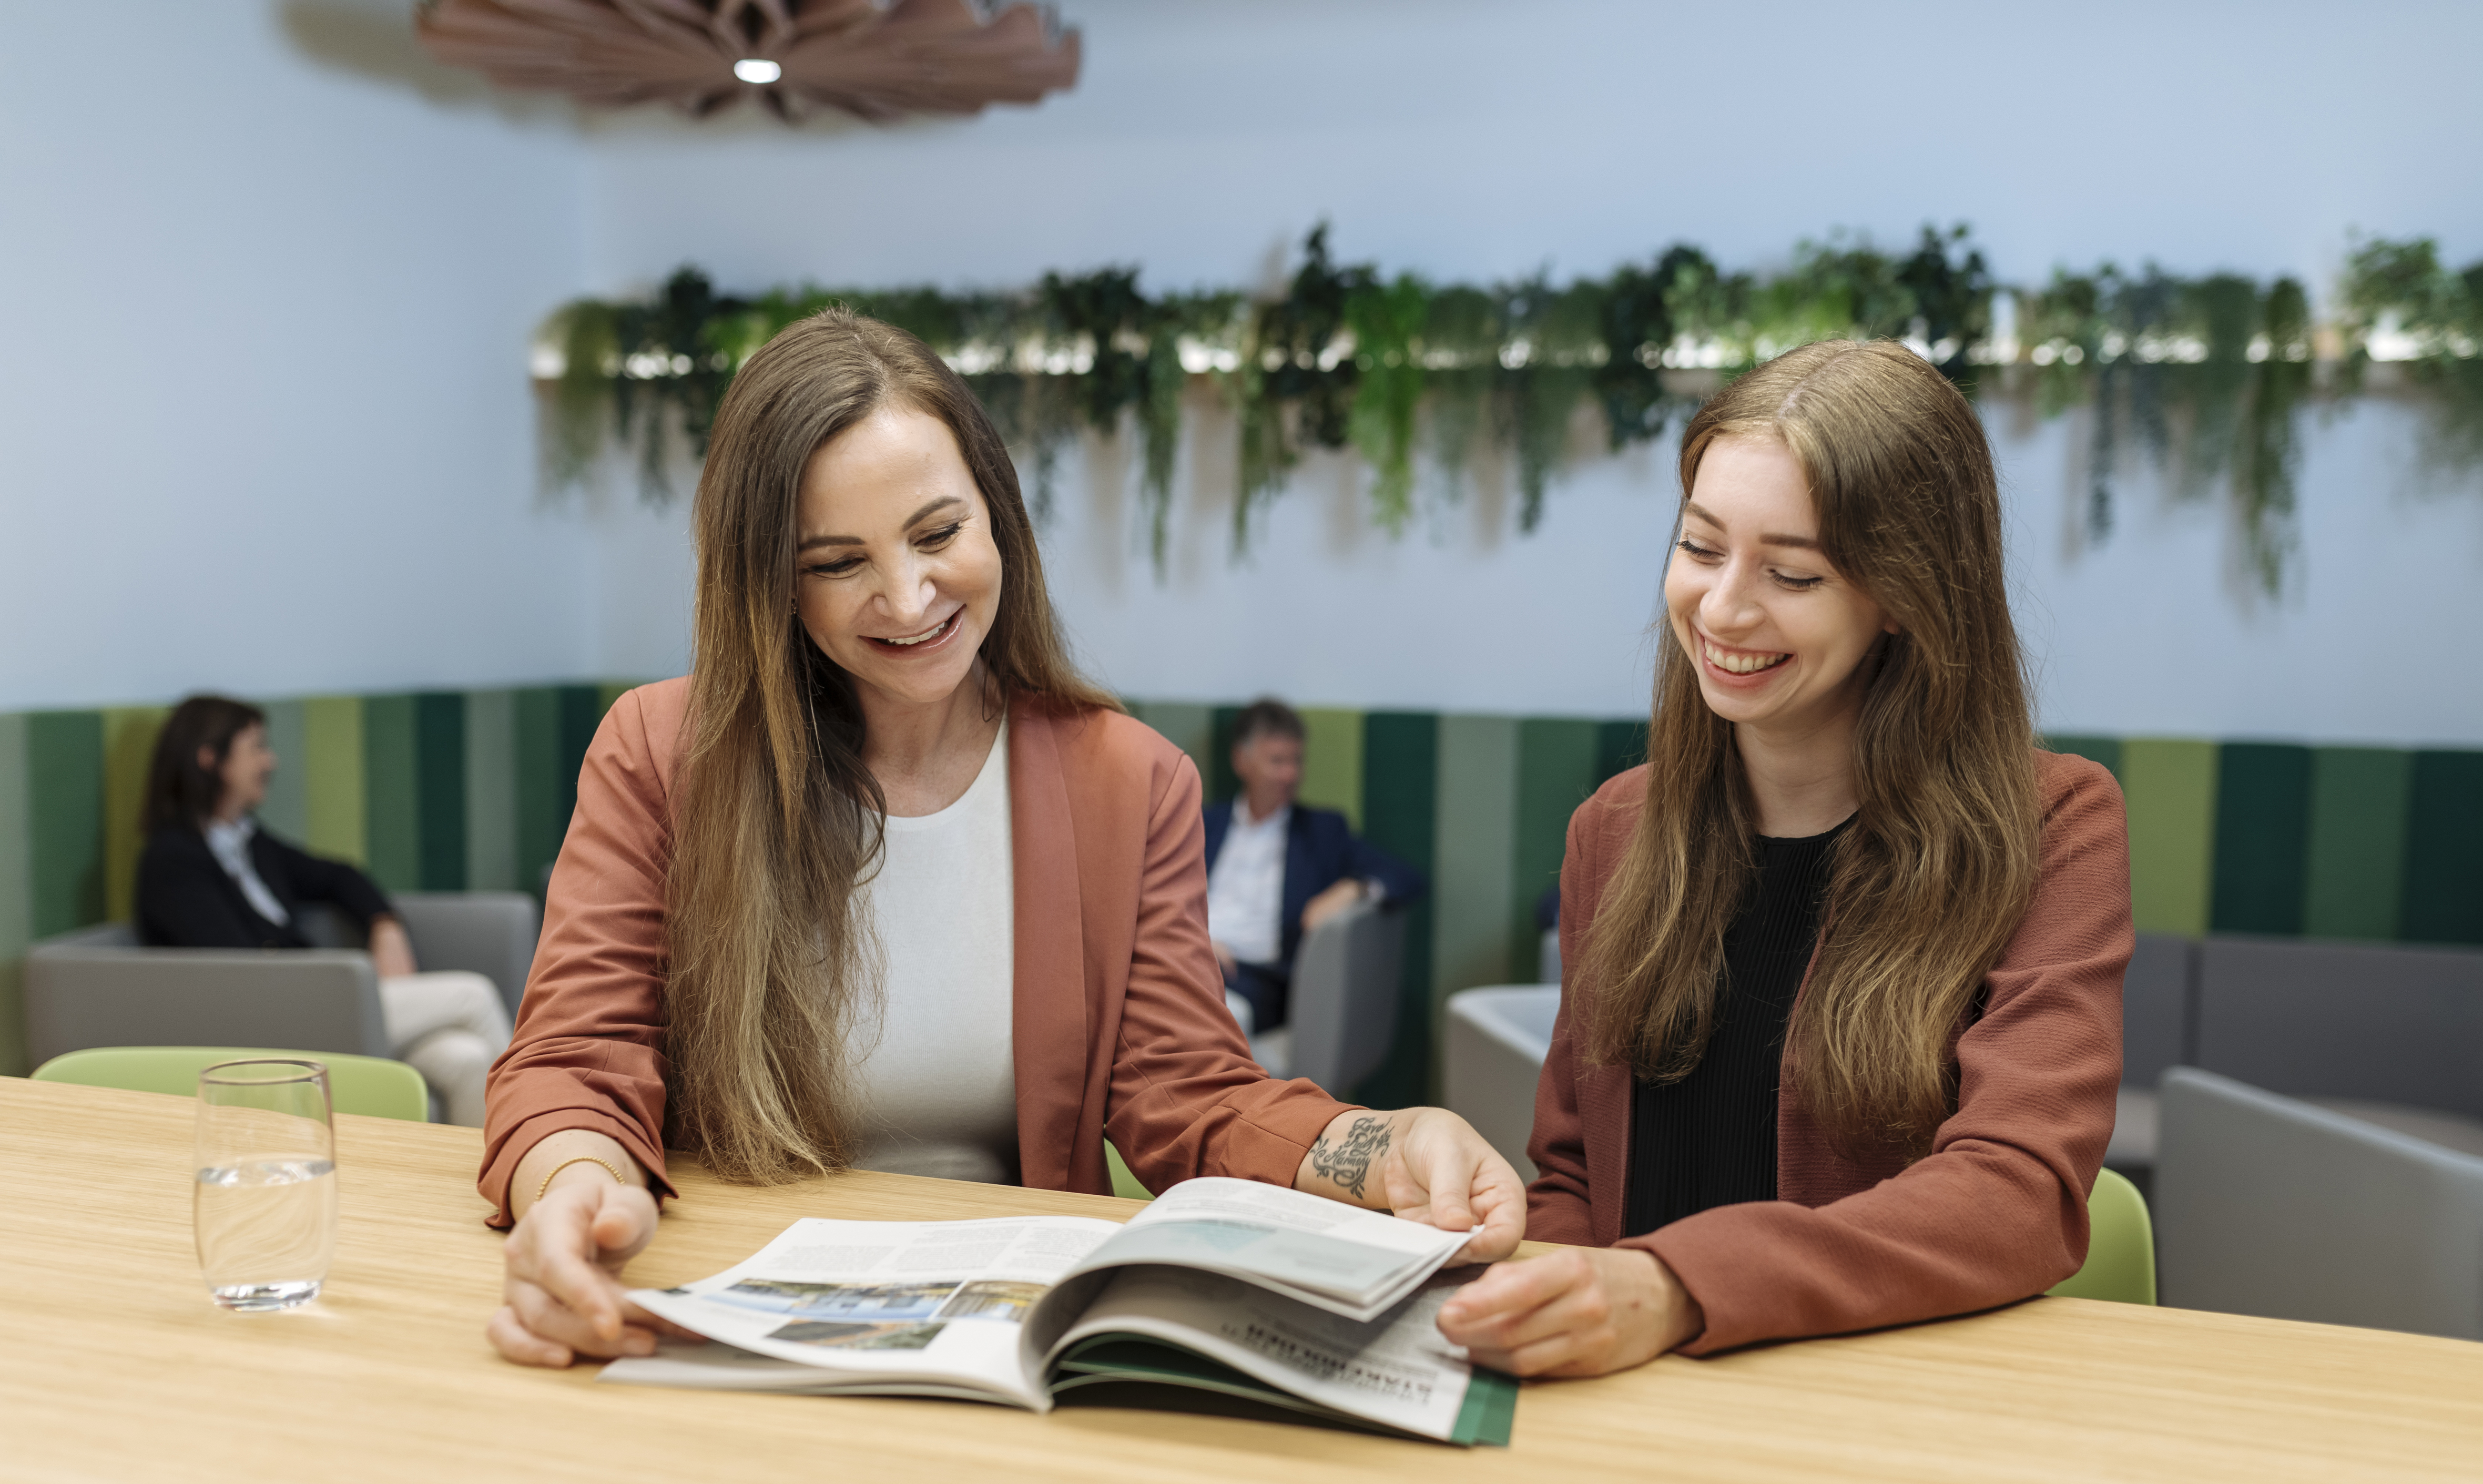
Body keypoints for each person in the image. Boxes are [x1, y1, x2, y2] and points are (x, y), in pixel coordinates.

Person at [484, 308, 1525, 1369]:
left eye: (937, 533)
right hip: (714, 1309)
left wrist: (1382, 1147)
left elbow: (1188, 1093)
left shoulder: (1127, 778)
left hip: (996, 1338)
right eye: (838, 561)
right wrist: (572, 1191)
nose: (907, 596)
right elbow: (574, 1058)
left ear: (998, 516)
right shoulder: (662, 752)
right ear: (770, 585)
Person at [1438, 339, 2132, 1375]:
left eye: (1792, 572)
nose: (1721, 609)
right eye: (1699, 547)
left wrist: (1674, 1285)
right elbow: (1577, 1179)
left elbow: (2015, 1192)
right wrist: (1525, 1297)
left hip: (1866, 1410)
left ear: (1905, 593)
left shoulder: (2050, 826)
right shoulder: (1613, 831)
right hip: (1630, 1402)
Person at [134, 696, 514, 1126]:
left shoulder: (249, 842)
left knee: (466, 1057)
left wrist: (384, 924)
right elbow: (241, 972)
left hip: (311, 1005)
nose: (271, 761)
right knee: (473, 994)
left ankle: (498, 1186)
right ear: (209, 759)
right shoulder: (172, 860)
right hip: (276, 1020)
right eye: (257, 747)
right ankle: (545, 1147)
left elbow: (340, 876)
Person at [1203, 699, 1426, 1034]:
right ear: (1241, 761)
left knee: (1206, 1013)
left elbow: (1408, 877)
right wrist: (1199, 940)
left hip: (1258, 978)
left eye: (1296, 760)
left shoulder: (1322, 831)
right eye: (1277, 761)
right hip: (1194, 955)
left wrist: (1355, 888)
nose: (1291, 774)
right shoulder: (1204, 823)